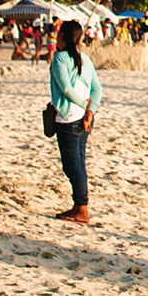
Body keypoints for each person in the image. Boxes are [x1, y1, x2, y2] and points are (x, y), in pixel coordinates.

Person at [49, 20, 102, 225]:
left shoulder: (60, 58)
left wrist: (83, 105)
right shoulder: (85, 59)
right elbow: (97, 89)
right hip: (84, 119)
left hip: (68, 118)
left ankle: (81, 208)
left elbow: (65, 88)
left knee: (71, 165)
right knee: (79, 163)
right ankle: (79, 205)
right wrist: (90, 111)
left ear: (62, 36)